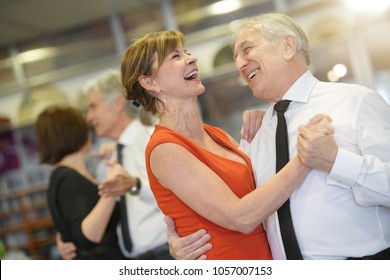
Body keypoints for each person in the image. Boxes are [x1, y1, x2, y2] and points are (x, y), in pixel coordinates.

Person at [166, 13, 390, 260]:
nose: (240, 65)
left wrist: (336, 160)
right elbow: (245, 212)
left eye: (247, 49)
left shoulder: (356, 101)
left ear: (287, 46)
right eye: (236, 58)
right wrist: (183, 244)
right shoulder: (256, 135)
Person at [120, 30, 333, 260]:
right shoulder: (164, 149)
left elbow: (262, 188)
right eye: (175, 56)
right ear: (149, 82)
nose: (191, 59)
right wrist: (306, 157)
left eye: (187, 52)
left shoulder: (216, 135)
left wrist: (266, 122)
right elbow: (241, 217)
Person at [56, 70, 171, 260]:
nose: (89, 118)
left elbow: (180, 194)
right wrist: (66, 237)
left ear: (118, 104)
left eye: (93, 107)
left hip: (165, 254)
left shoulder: (153, 140)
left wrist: (135, 184)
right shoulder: (108, 161)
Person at [35, 105, 124, 260]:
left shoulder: (70, 176)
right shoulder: (68, 179)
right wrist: (112, 190)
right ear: (76, 132)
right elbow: (86, 237)